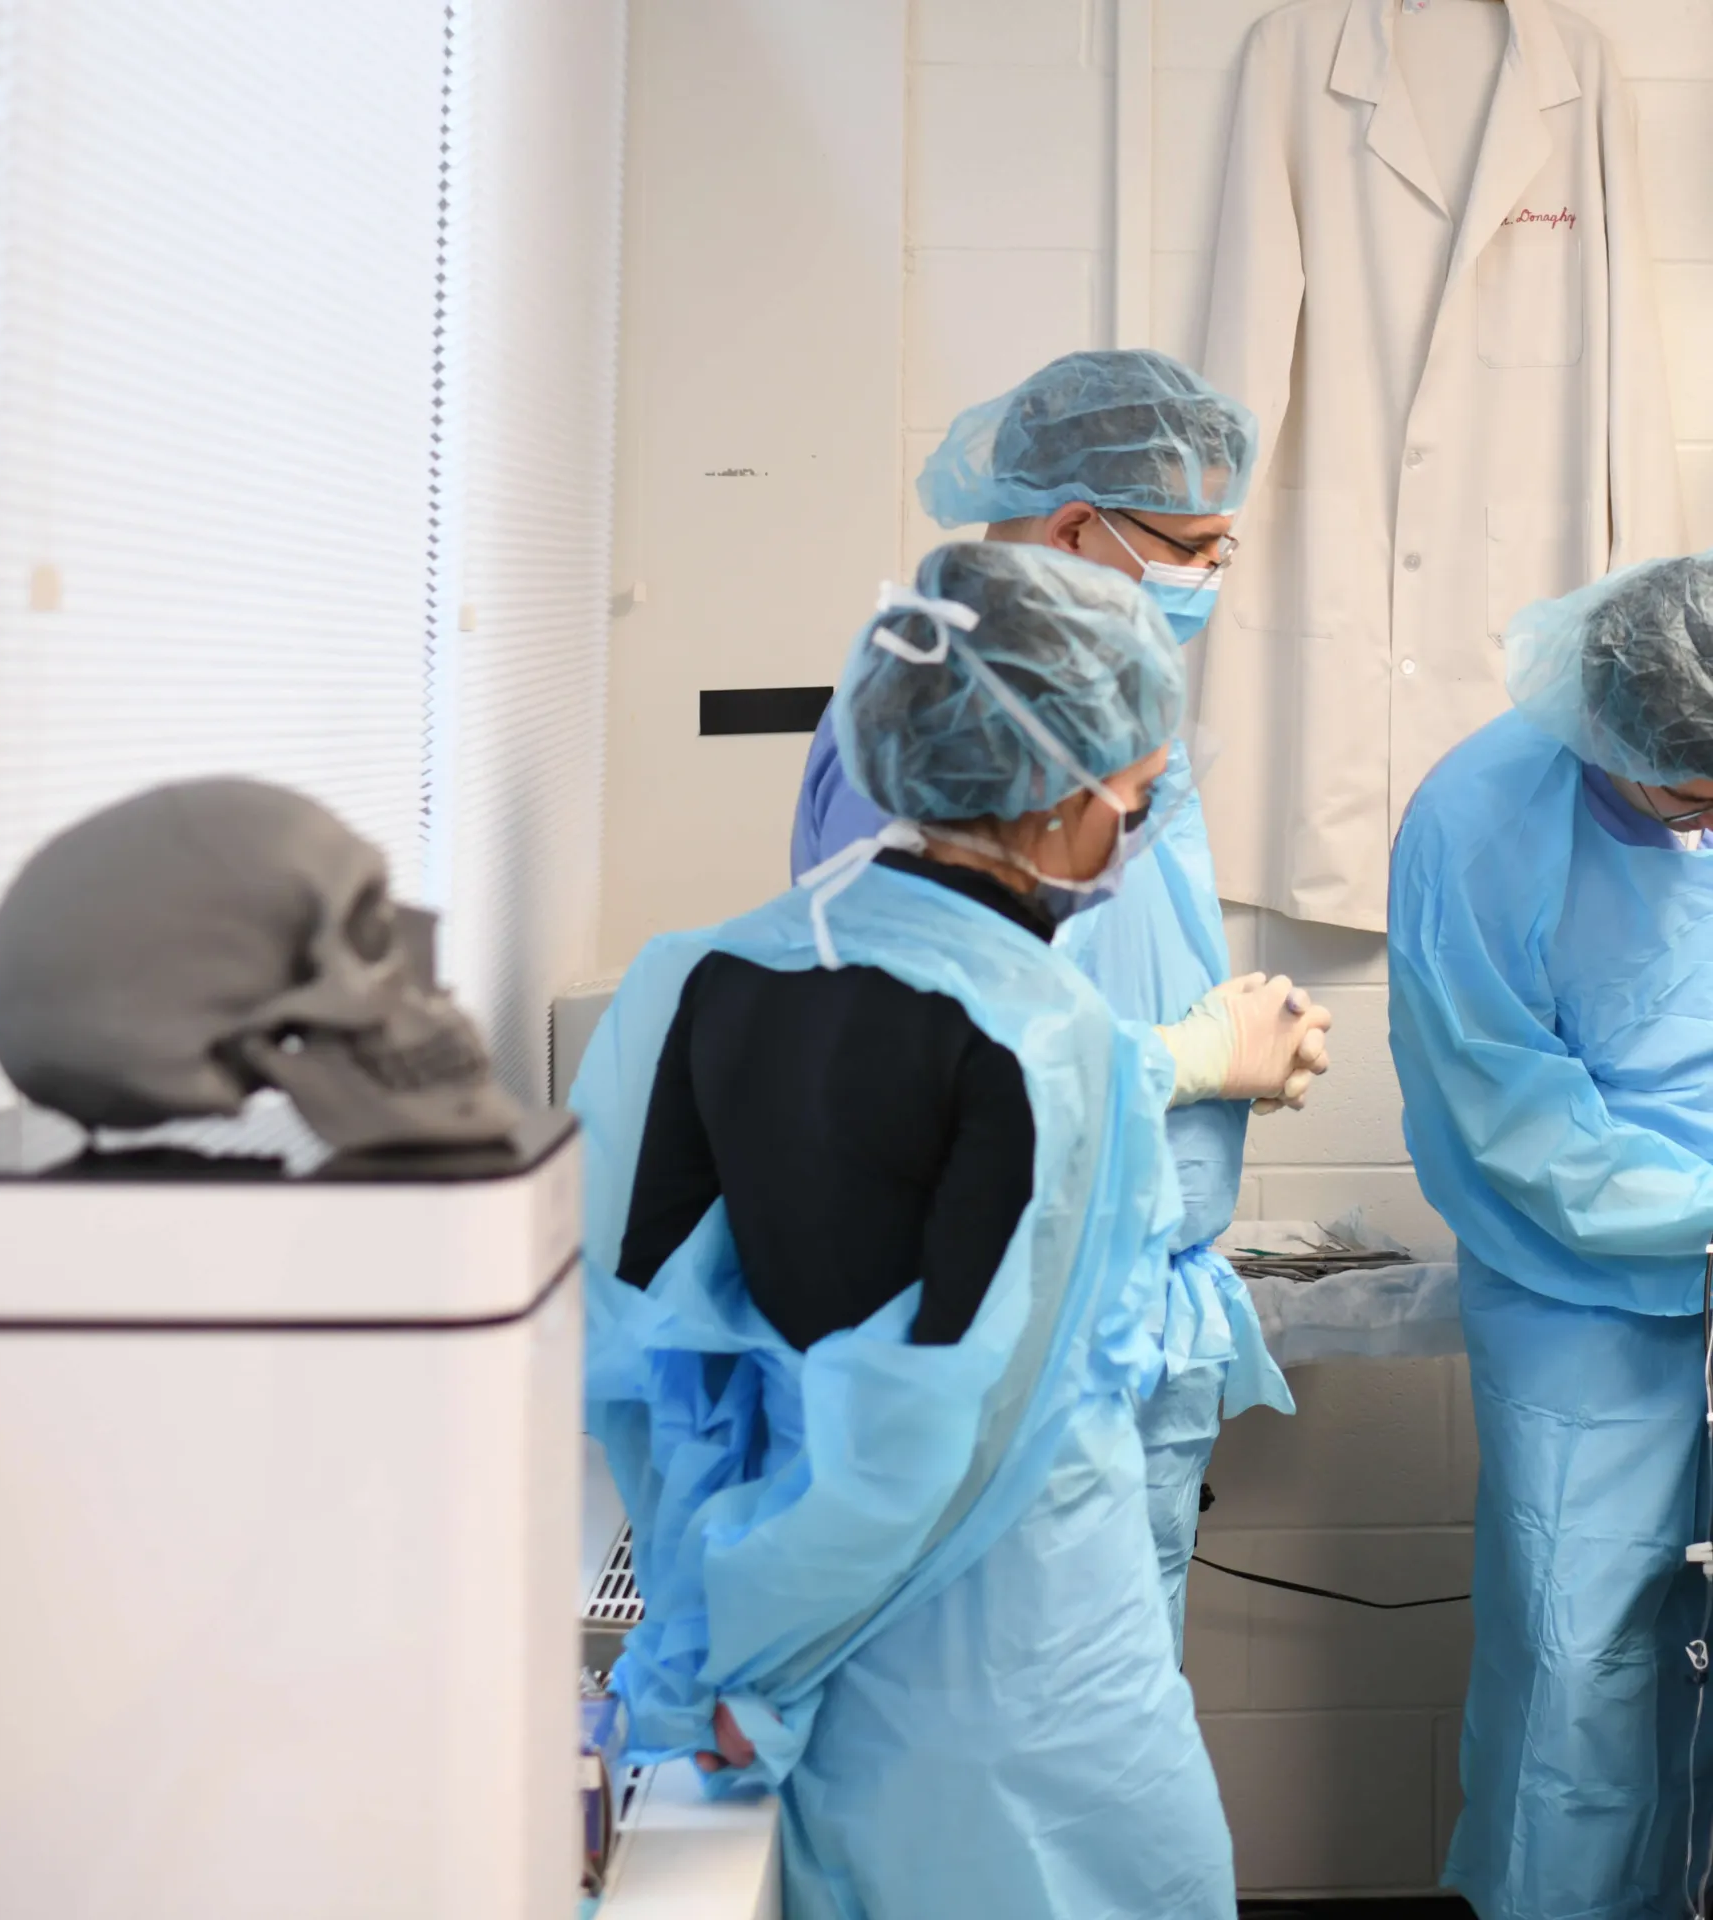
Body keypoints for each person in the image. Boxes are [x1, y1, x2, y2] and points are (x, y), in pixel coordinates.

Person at [576, 541, 1330, 1920]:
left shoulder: (688, 979)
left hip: (786, 1657)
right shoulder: (1050, 1040)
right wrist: (756, 1662)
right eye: (1136, 796)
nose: (1136, 827)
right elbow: (934, 1429)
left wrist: (702, 1647)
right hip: (1011, 1673)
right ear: (1053, 799)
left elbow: (645, 1371)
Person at [794, 348, 1307, 1654]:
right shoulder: (947, 718)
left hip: (1114, 1282)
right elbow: (931, 1071)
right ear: (1077, 525)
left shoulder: (1087, 694)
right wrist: (1188, 1062)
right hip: (1022, 1313)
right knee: (1042, 1729)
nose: (1207, 580)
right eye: (1193, 546)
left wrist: (1232, 1041)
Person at [1388, 552, 1713, 1920]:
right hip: (1585, 1295)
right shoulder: (1478, 818)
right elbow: (1508, 1115)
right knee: (1584, 1651)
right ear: (1608, 729)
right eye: (1688, 794)